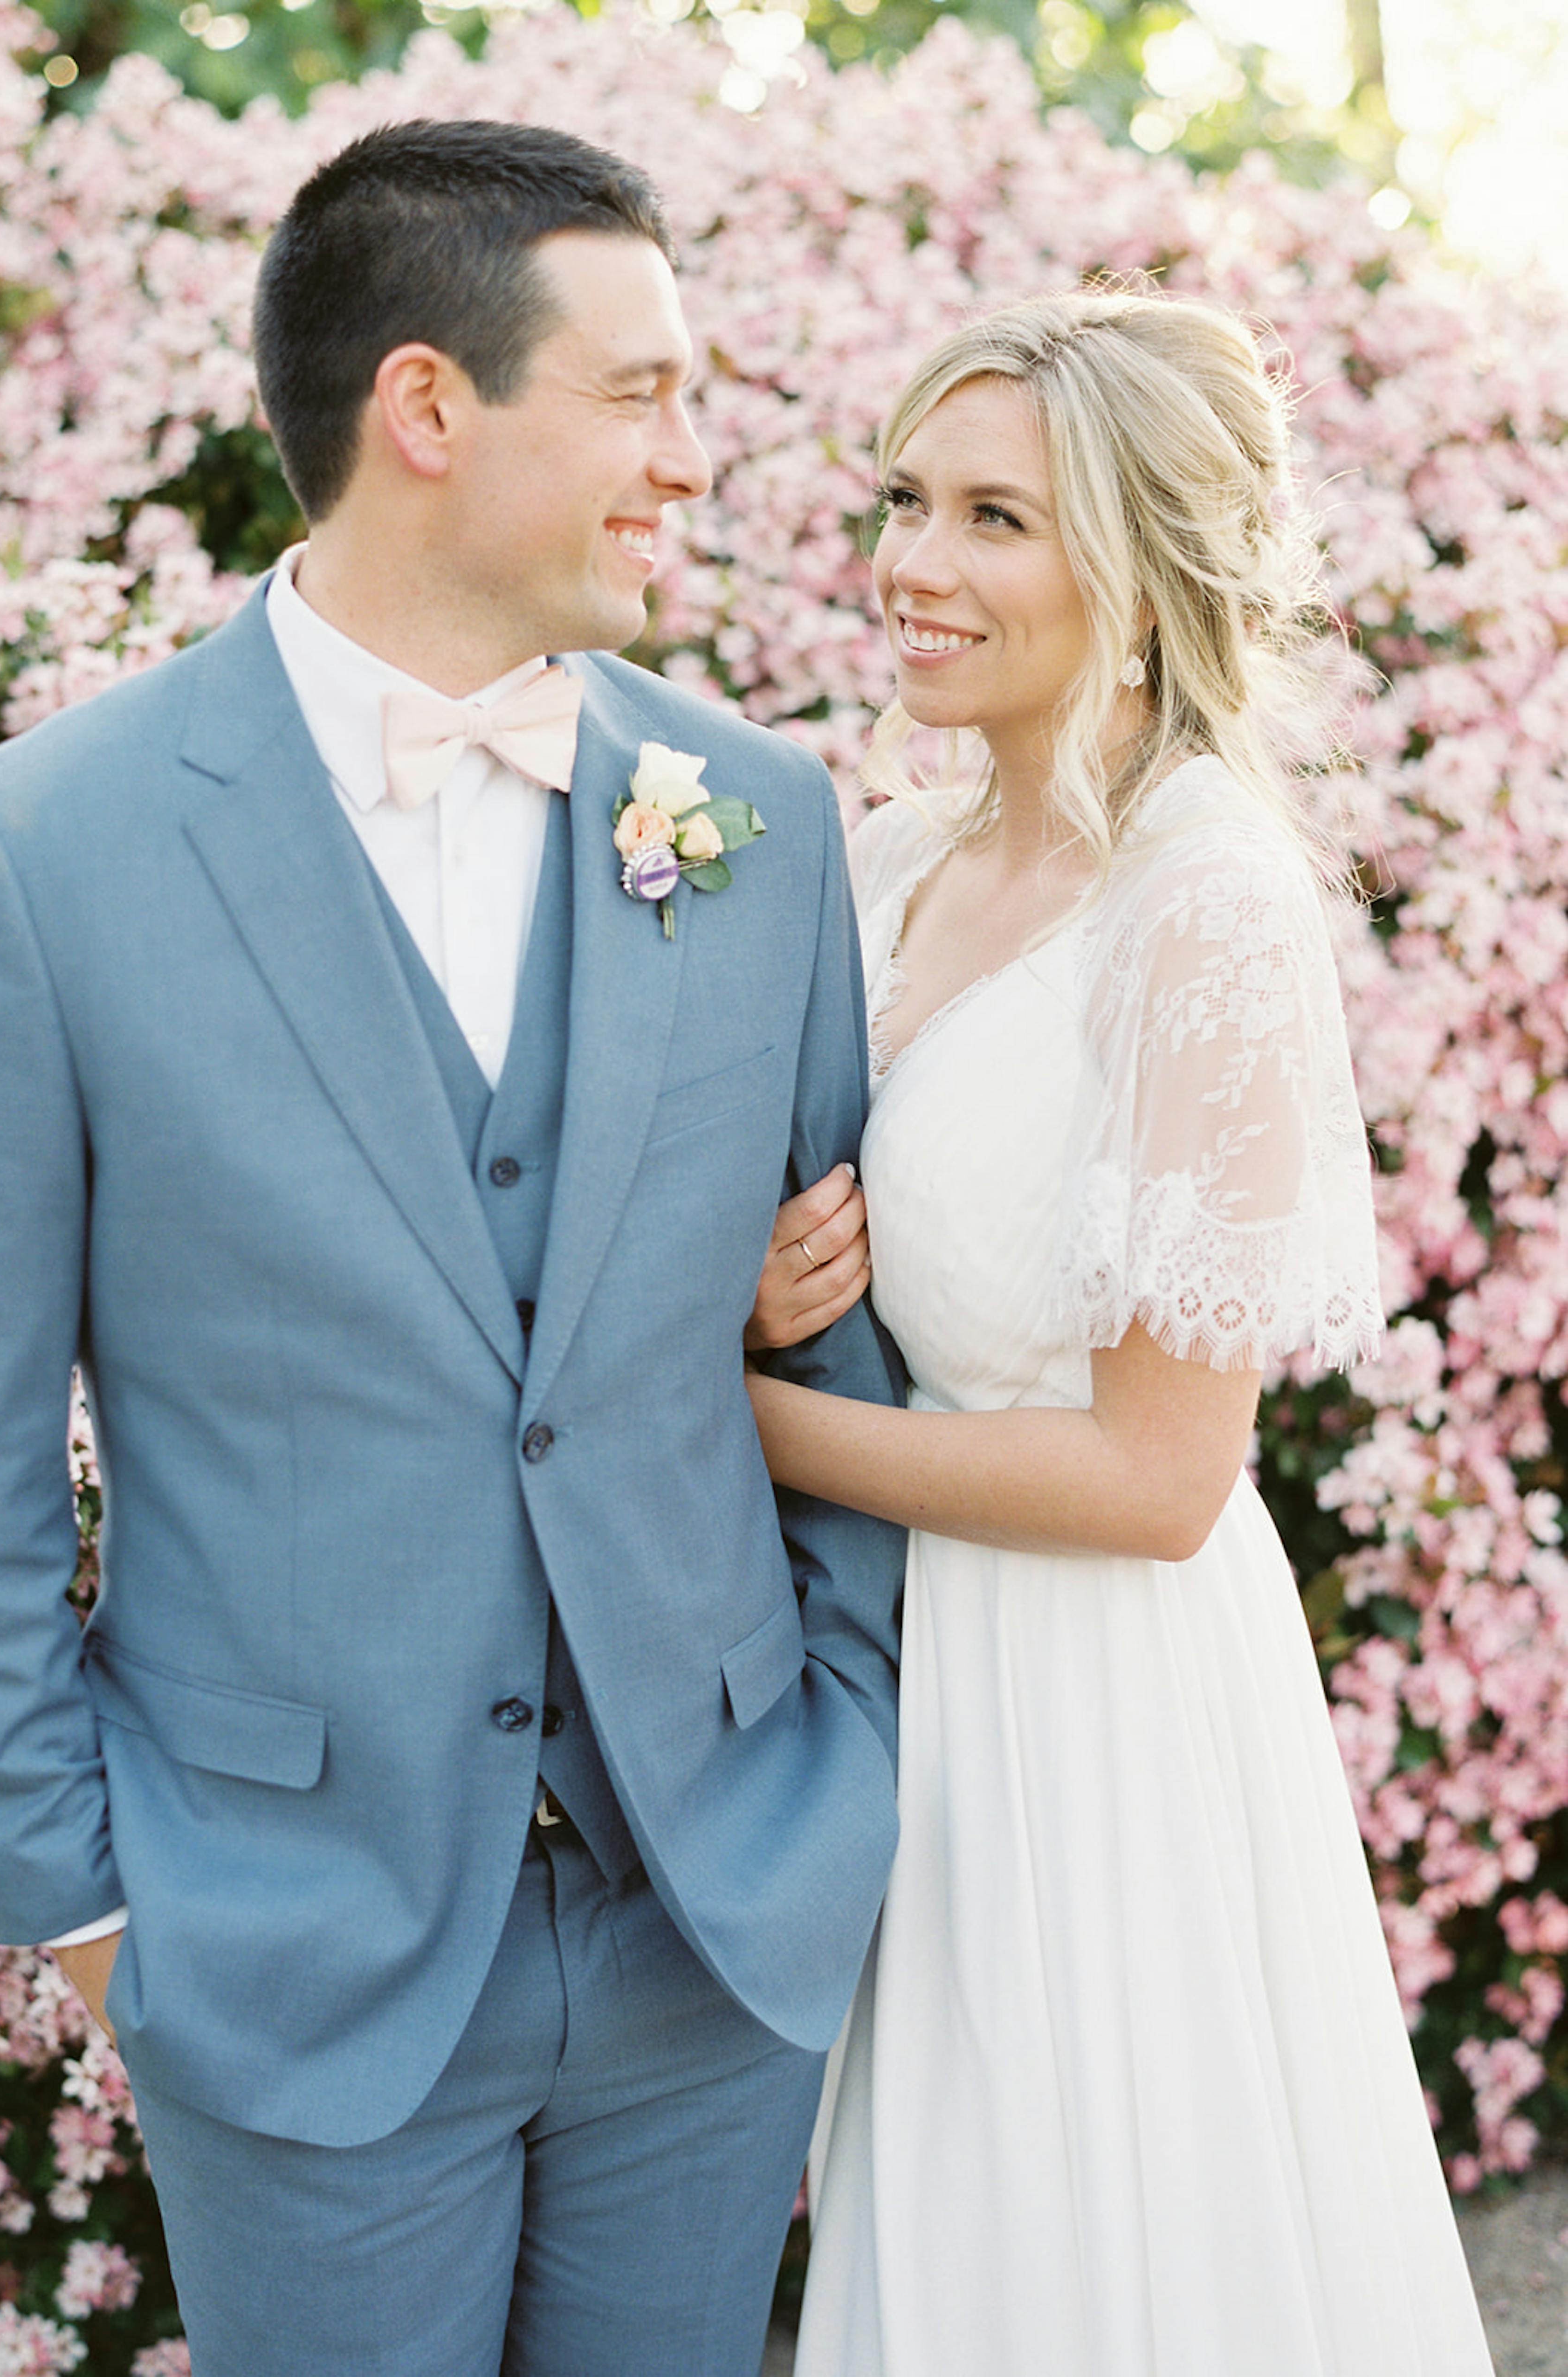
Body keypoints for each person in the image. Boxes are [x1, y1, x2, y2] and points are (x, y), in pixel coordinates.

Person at [0, 119, 905, 2377]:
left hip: (713, 1923)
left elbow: (835, 1342)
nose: (693, 458)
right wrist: (84, 1906)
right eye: (641, 393)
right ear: (426, 405)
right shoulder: (43, 851)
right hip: (283, 1947)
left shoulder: (760, 819)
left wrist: (839, 1763)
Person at [743, 290, 1495, 2374]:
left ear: (1143, 575)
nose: (914, 562)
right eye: (906, 499)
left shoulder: (1202, 899)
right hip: (903, 1672)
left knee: (1107, 2249)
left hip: (1096, 1702)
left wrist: (735, 1419)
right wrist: (758, 1303)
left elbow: (1162, 1478)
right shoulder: (892, 859)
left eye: (996, 518)